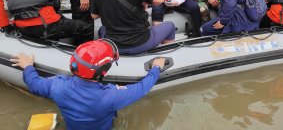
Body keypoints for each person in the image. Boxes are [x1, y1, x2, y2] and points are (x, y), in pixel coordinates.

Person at [10, 39, 166, 130]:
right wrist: (156, 68)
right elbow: (142, 88)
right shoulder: (111, 95)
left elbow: (34, 84)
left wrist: (28, 66)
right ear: (103, 71)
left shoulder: (57, 85)